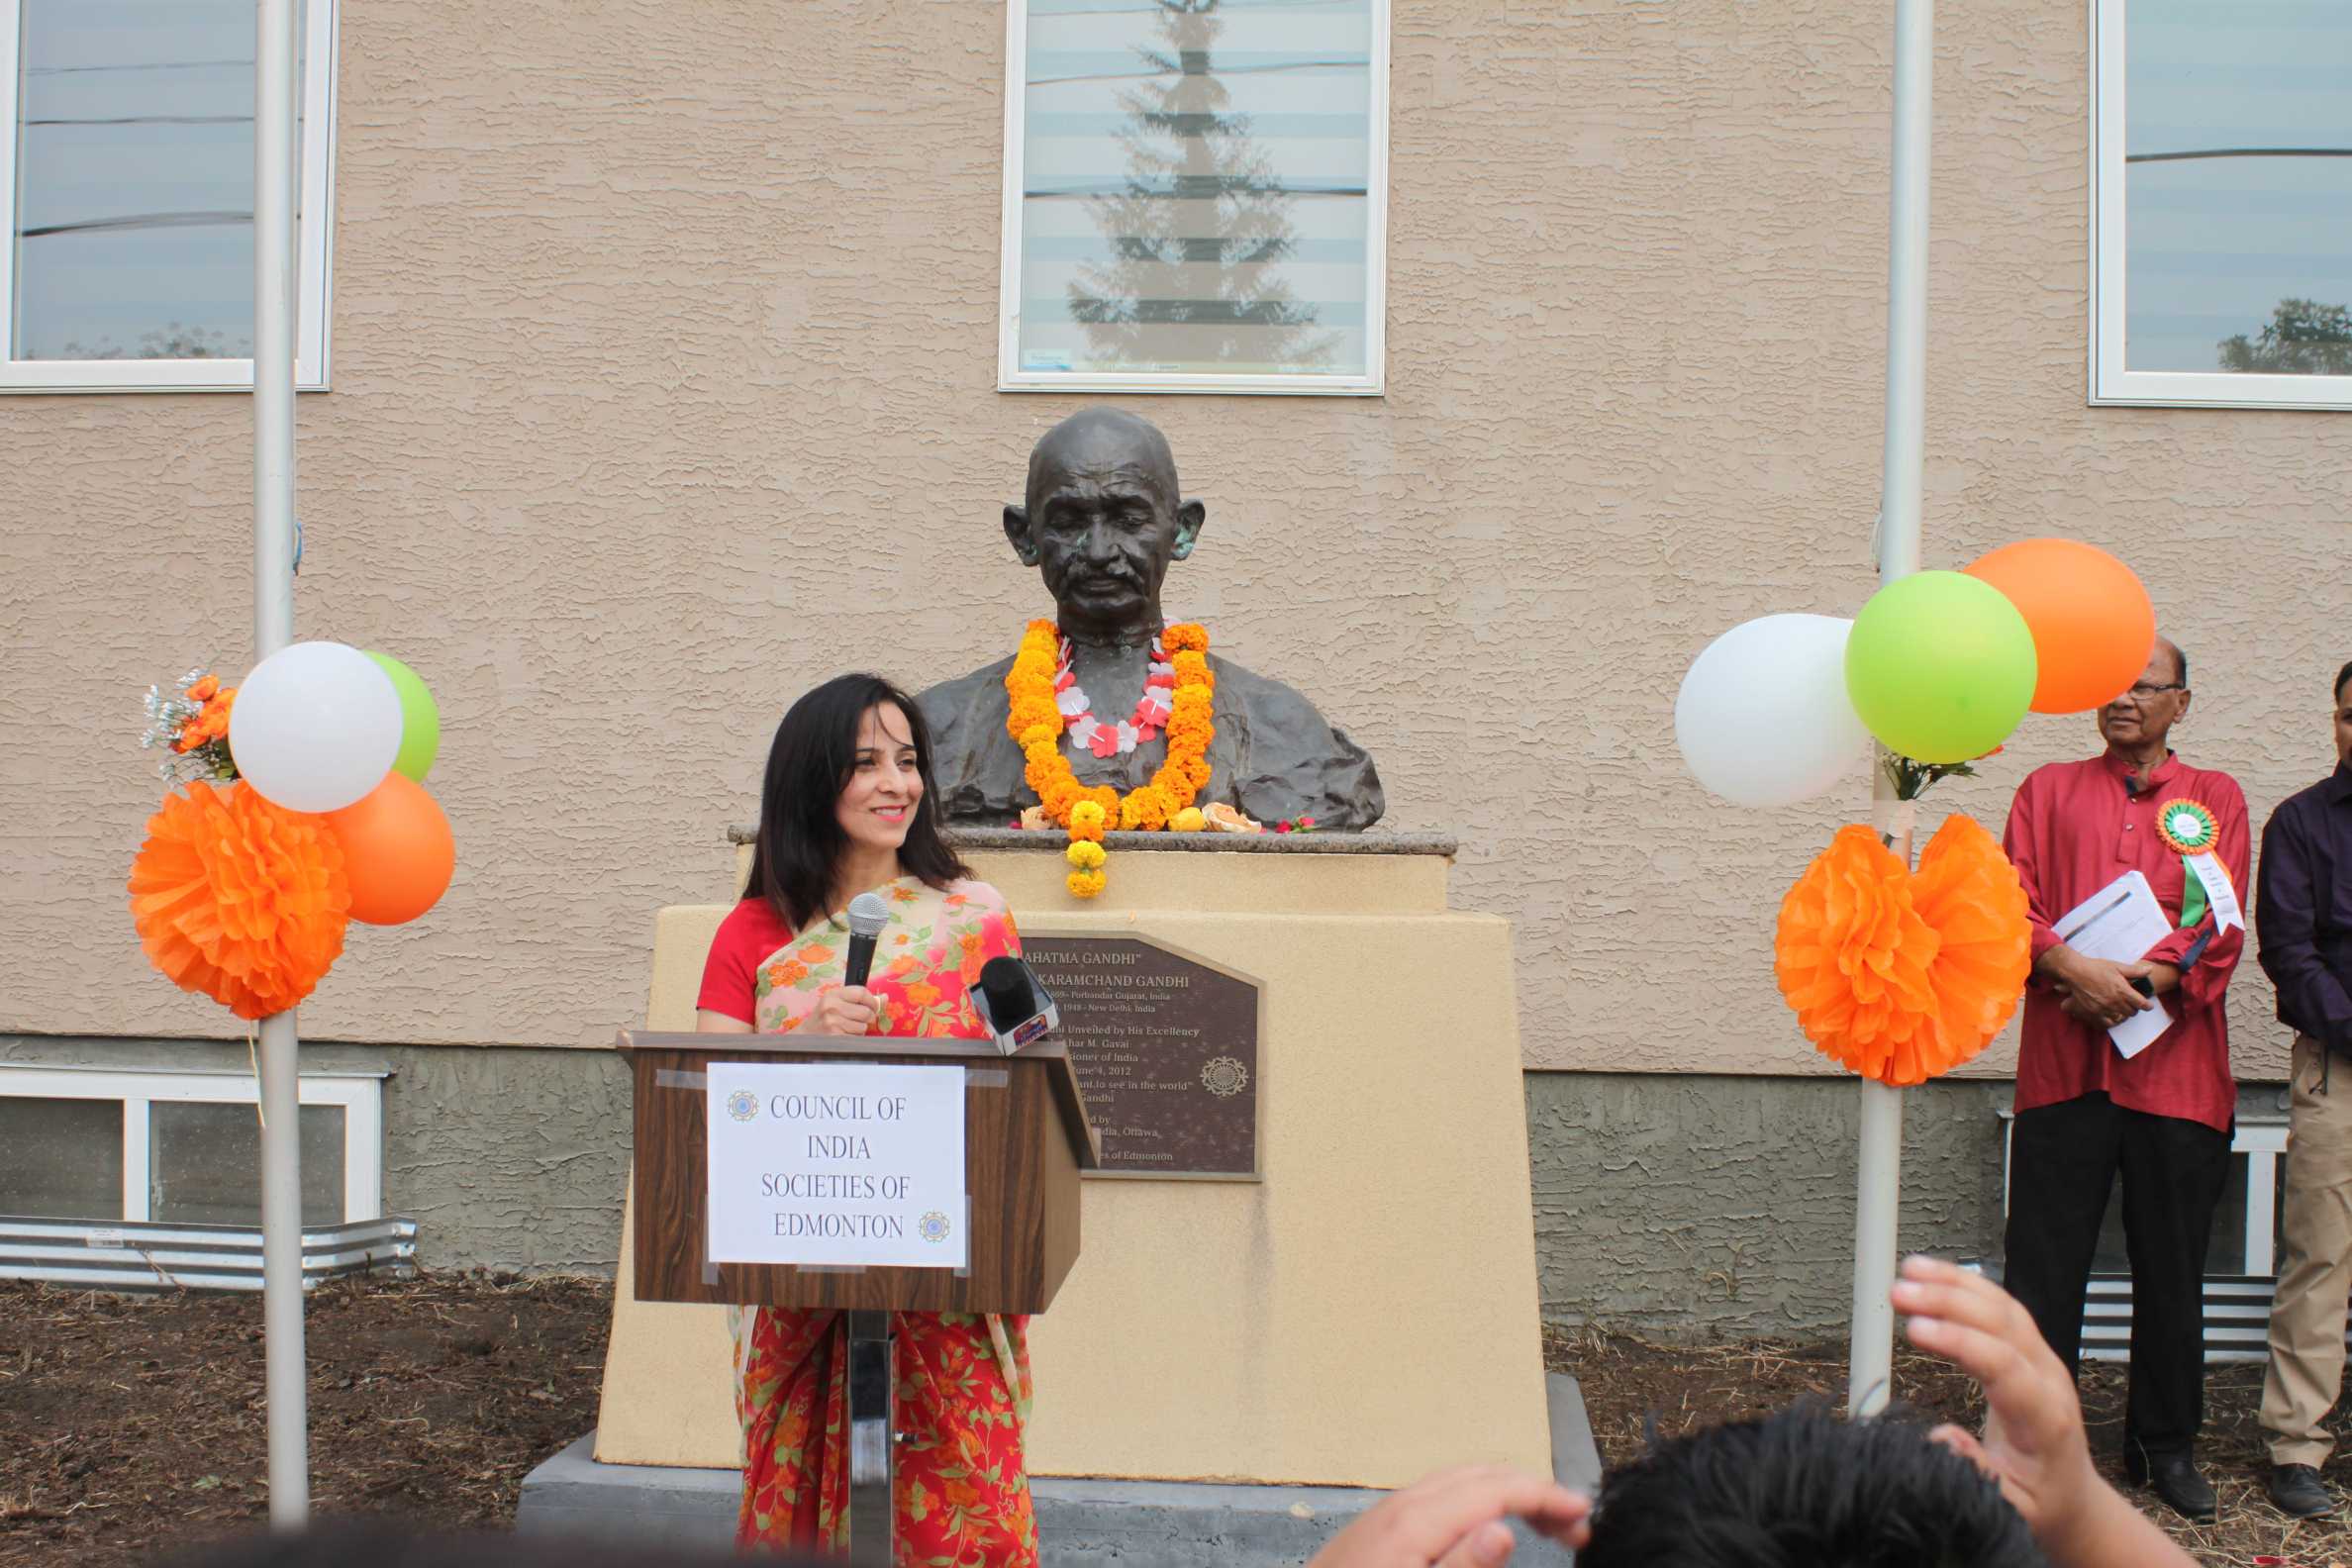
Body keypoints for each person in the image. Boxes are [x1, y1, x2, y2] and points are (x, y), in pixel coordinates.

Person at [696, 673, 1035, 1563]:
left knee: (968, 1513)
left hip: (946, 1268)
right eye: (866, 763)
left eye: (908, 761)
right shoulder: (752, 933)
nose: (897, 784)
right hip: (801, 1265)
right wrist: (802, 1035)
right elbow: (707, 1102)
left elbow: (1029, 1078)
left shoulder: (972, 916)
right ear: (813, 780)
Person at [1996, 637, 2249, 1520]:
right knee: (2043, 1269)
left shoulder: (2215, 799)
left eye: (2147, 686)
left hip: (2177, 1078)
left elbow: (2223, 921)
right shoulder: (2045, 791)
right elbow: (2009, 902)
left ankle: (2163, 1448)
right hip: (2065, 1070)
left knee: (2173, 1270)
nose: (2125, 699)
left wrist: (2140, 981)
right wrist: (2073, 968)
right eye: (2112, 684)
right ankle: (2034, 1450)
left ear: (2182, 702)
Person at [916, 406, 1385, 829]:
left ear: (1182, 530)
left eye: (1128, 519)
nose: (1098, 551)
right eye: (1069, 522)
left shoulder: (1286, 732)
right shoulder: (941, 730)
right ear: (1025, 537)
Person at [2254, 658, 2352, 1519]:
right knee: (2321, 1257)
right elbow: (2288, 949)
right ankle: (2296, 1444)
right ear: (2335, 721)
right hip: (2338, 1064)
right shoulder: (2300, 823)